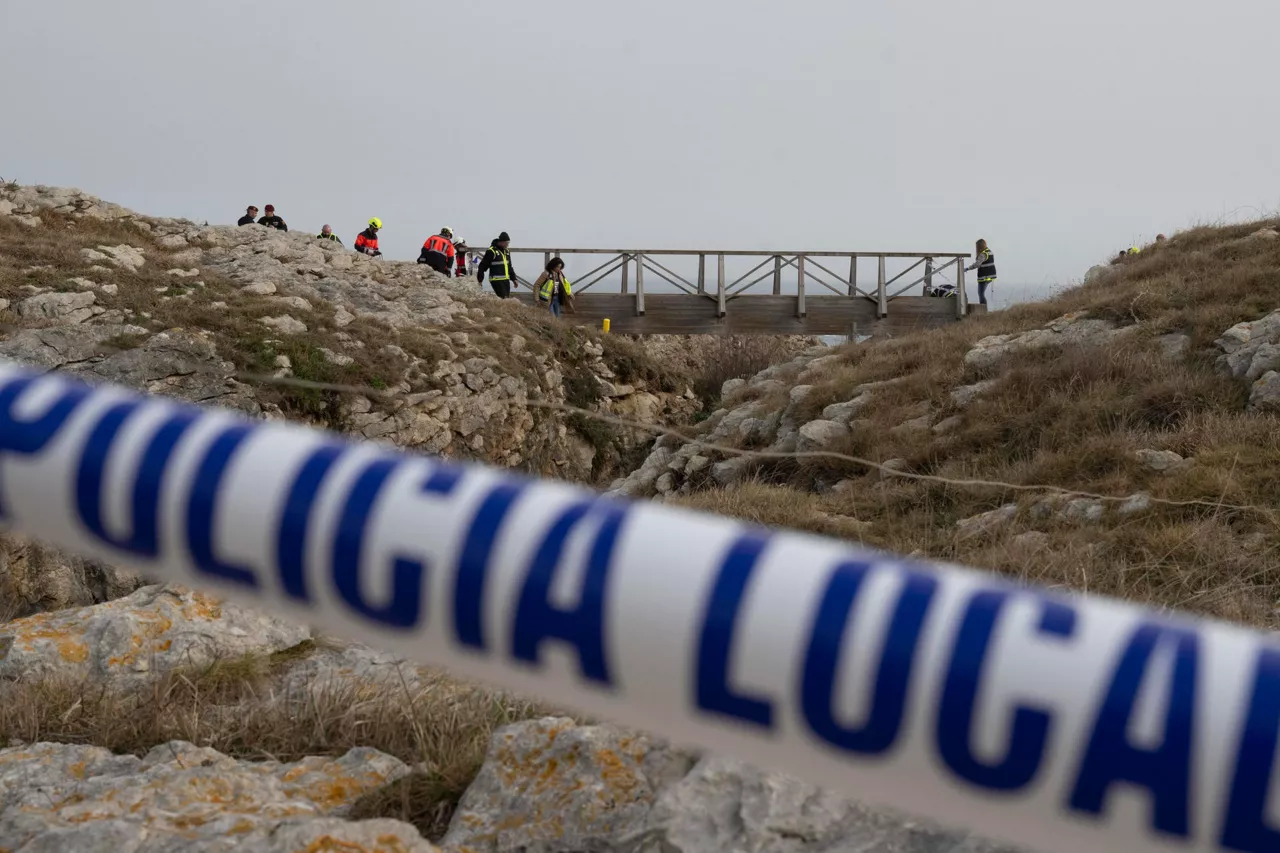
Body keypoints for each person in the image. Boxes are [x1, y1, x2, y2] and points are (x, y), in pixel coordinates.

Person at [477, 231, 516, 298]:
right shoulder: (492, 251)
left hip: (506, 280)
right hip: (496, 280)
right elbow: (482, 266)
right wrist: (480, 280)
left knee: (506, 298)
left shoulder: (507, 252)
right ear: (501, 242)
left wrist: (514, 279)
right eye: (506, 243)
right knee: (504, 298)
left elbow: (509, 266)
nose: (507, 245)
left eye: (508, 243)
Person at [964, 238, 997, 306]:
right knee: (982, 293)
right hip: (991, 276)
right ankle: (984, 308)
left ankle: (983, 308)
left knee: (981, 294)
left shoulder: (983, 254)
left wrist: (967, 268)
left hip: (984, 277)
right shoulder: (989, 252)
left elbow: (977, 264)